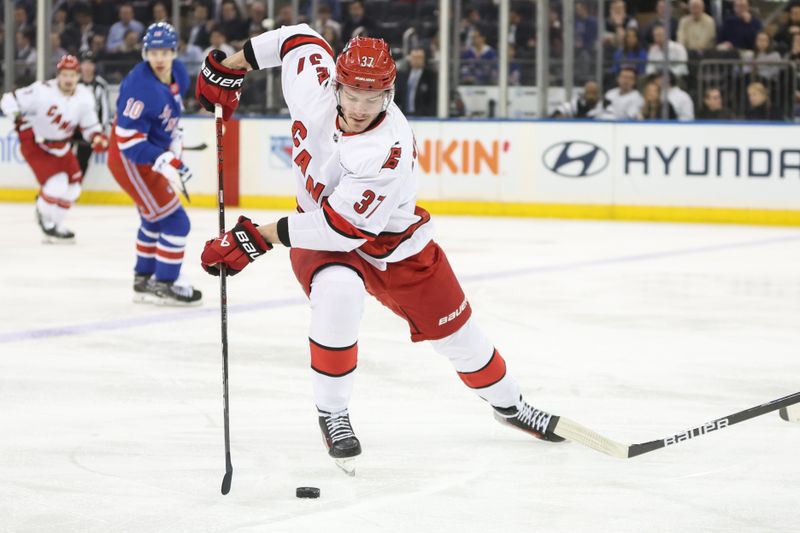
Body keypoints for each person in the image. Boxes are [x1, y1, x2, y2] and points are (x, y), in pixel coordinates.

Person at [195, 26, 565, 473]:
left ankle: (510, 406)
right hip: (322, 230)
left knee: (460, 339)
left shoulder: (386, 147)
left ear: (389, 95)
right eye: (351, 94)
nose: (359, 108)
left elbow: (344, 229)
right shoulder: (314, 86)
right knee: (339, 293)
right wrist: (231, 68)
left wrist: (257, 238)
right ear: (334, 83)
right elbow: (298, 39)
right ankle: (333, 413)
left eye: (373, 98)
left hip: (393, 246)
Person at [107, 22, 202, 305]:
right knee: (175, 221)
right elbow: (127, 140)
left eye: (165, 51)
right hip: (130, 160)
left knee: (153, 217)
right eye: (153, 52)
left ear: (174, 52)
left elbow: (169, 113)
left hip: (146, 154)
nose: (159, 58)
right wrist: (163, 158)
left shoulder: (179, 74)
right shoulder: (140, 88)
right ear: (145, 53)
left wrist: (173, 140)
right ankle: (164, 282)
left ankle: (143, 279)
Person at [0, 54, 107, 242]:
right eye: (64, 75)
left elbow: (89, 125)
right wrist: (17, 116)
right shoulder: (41, 91)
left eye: (72, 75)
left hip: (62, 147)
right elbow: (8, 99)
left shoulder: (84, 96)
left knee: (74, 189)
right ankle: (42, 213)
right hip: (37, 144)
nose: (68, 79)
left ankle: (54, 225)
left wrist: (96, 137)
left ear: (78, 76)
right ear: (58, 75)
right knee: (57, 184)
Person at [72, 51, 111, 176]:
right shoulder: (73, 82)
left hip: (89, 130)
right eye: (84, 64)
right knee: (60, 160)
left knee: (81, 163)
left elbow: (105, 110)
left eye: (90, 64)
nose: (87, 67)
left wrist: (101, 131)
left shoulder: (100, 85)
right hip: (71, 128)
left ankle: (73, 191)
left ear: (94, 67)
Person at [394, 47, 437, 116]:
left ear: (424, 59)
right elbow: (398, 95)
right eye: (414, 57)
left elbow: (433, 98)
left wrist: (427, 114)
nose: (416, 60)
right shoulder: (403, 75)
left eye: (419, 57)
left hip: (423, 117)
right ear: (410, 58)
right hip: (404, 115)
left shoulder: (430, 76)